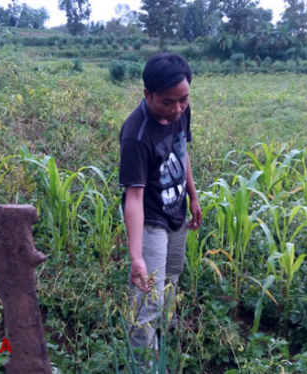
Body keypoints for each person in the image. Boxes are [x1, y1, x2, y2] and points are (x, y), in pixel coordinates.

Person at [118, 52, 202, 367]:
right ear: (147, 95)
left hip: (176, 212)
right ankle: (145, 364)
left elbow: (182, 151)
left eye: (183, 100)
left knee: (172, 279)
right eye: (168, 102)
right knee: (146, 299)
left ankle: (163, 333)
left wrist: (192, 196)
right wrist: (136, 256)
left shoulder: (182, 110)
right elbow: (134, 198)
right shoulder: (136, 135)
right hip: (151, 219)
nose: (177, 109)